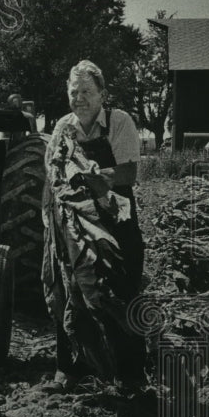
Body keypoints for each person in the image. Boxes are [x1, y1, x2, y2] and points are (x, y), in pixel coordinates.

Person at [42, 60, 146, 389]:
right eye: (74, 92)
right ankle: (71, 369)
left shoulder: (119, 121)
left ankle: (129, 376)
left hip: (115, 222)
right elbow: (53, 174)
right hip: (74, 222)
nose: (80, 98)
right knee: (70, 290)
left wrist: (99, 178)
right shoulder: (62, 127)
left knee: (120, 294)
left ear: (102, 94)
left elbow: (129, 172)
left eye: (87, 91)